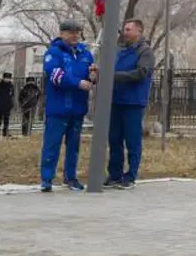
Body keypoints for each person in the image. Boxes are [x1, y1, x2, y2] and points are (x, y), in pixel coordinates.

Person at [39, 20, 96, 192]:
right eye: (71, 32)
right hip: (58, 108)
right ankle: (47, 179)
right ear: (62, 33)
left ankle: (70, 178)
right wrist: (78, 83)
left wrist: (94, 75)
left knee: (74, 146)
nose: (75, 35)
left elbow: (91, 76)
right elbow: (55, 76)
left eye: (77, 32)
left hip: (78, 108)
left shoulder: (86, 54)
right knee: (52, 145)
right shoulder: (53, 53)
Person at [104, 18, 155, 190]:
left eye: (128, 30)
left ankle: (130, 176)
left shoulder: (145, 52)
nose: (124, 33)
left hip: (133, 102)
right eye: (124, 29)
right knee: (114, 139)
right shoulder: (120, 50)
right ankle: (114, 174)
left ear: (139, 31)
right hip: (116, 101)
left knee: (132, 141)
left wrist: (114, 75)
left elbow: (141, 73)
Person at [0, 72, 14, 137]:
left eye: (8, 78)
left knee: (6, 120)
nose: (7, 79)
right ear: (3, 78)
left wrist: (11, 104)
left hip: (7, 106)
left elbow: (12, 95)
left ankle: (5, 133)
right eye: (6, 78)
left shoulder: (11, 86)